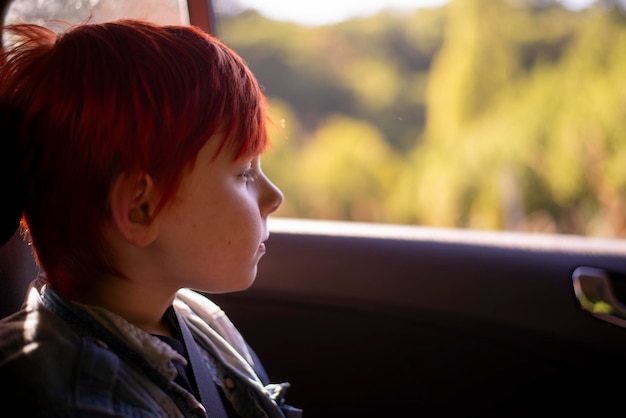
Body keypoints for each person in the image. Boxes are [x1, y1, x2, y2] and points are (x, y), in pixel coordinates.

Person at [0, 19, 301, 418]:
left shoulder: (199, 318)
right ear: (141, 209)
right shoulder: (76, 400)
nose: (274, 197)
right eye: (244, 173)